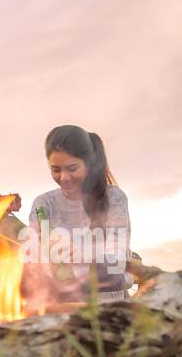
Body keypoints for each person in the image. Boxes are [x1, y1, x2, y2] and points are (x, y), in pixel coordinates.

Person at [24, 124, 132, 306]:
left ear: (89, 164)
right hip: (60, 297)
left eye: (72, 168)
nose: (64, 177)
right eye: (56, 169)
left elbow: (117, 253)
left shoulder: (114, 198)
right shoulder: (43, 204)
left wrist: (82, 253)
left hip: (107, 297)